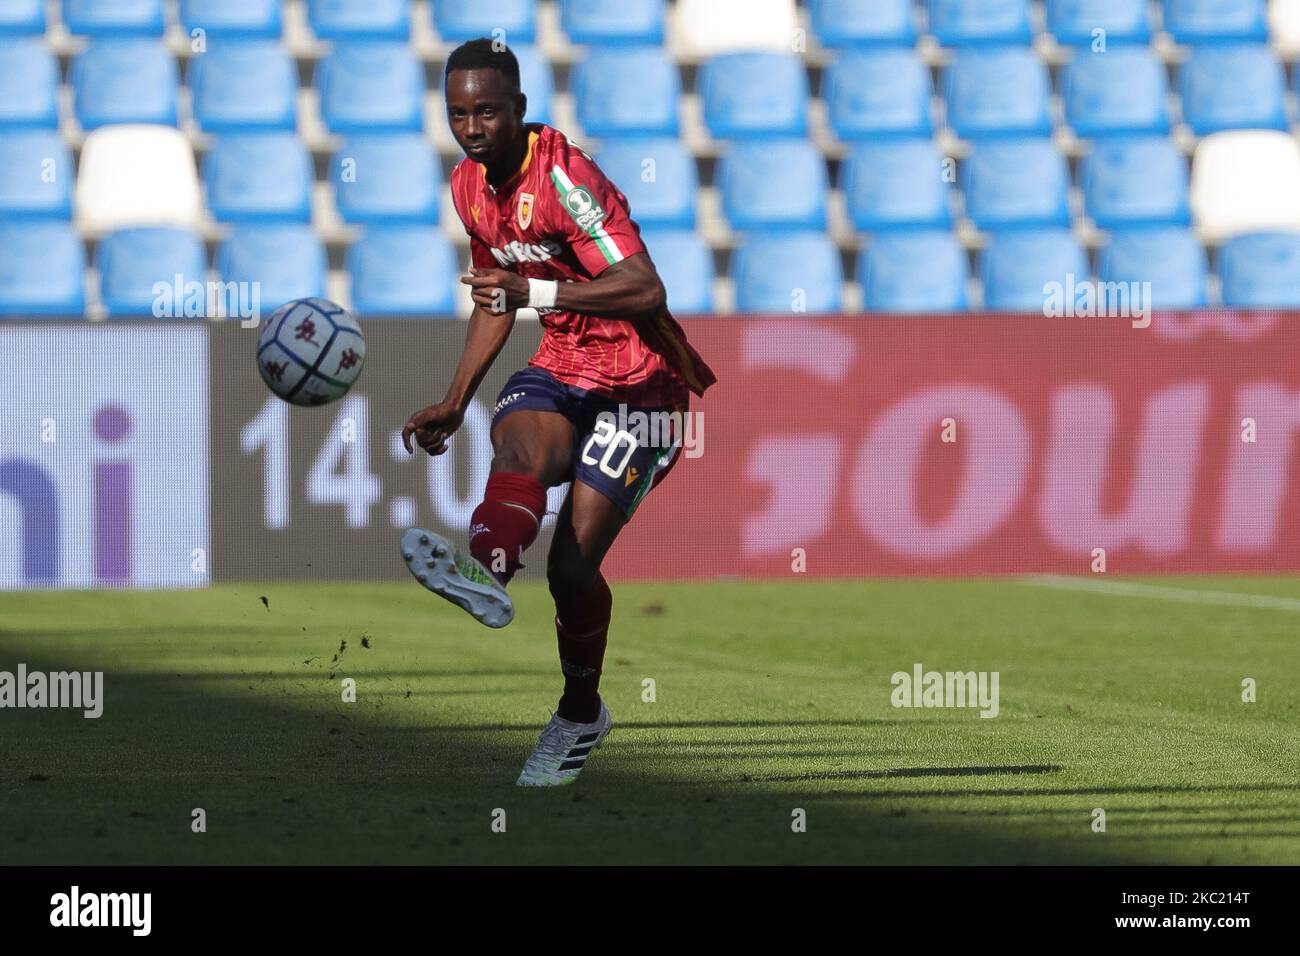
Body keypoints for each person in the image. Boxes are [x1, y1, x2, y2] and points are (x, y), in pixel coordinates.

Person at [400, 39, 716, 787]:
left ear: (520, 110)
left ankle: (580, 713)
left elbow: (644, 289)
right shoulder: (467, 187)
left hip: (645, 385)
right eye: (457, 114)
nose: (472, 127)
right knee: (518, 455)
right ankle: (486, 573)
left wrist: (535, 295)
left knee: (572, 566)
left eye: (486, 111)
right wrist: (454, 398)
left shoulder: (565, 179)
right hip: (565, 365)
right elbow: (493, 295)